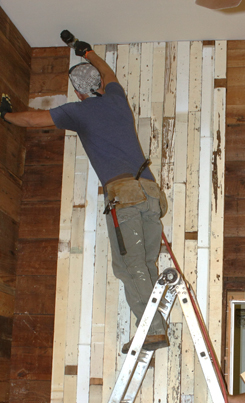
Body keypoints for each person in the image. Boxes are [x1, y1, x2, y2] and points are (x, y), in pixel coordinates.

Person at [0, 35, 168, 353]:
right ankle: (153, 327)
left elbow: (33, 119)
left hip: (125, 197)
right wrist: (87, 52)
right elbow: (108, 73)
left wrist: (6, 115)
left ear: (79, 92)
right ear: (100, 86)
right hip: (151, 193)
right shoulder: (117, 98)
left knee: (128, 266)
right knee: (144, 263)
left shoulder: (78, 112)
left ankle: (153, 330)